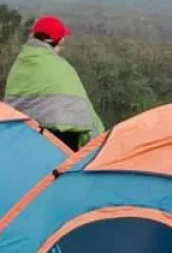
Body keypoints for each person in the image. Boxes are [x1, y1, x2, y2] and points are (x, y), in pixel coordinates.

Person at [4, 15, 104, 151]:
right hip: (62, 140)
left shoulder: (19, 65)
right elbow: (84, 112)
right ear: (60, 41)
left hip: (24, 136)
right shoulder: (63, 68)